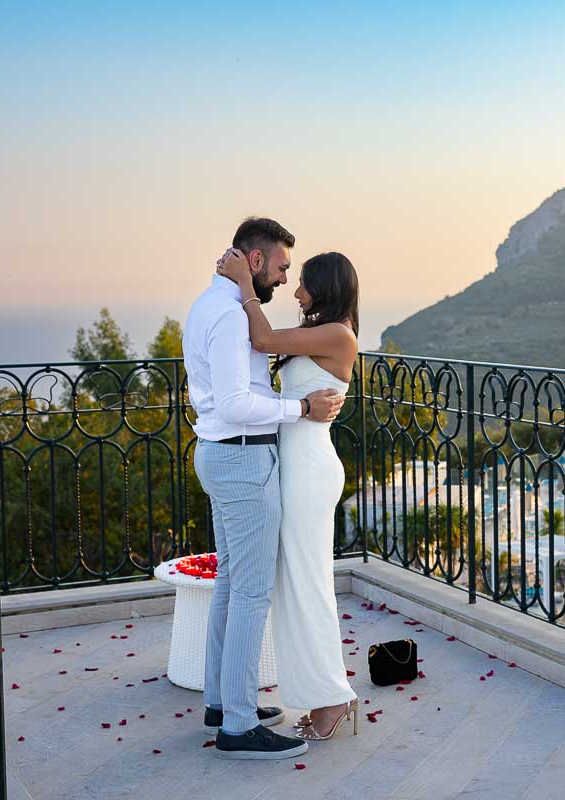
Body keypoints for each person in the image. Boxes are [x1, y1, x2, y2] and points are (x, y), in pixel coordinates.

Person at [182, 217, 344, 760]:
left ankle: (221, 701)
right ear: (255, 261)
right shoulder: (230, 316)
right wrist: (299, 408)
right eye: (280, 266)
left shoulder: (209, 305)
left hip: (227, 456)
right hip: (244, 460)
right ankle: (238, 724)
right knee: (251, 592)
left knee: (233, 585)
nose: (286, 279)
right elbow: (234, 403)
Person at [216, 246, 360, 741]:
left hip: (310, 472)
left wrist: (243, 284)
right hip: (293, 467)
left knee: (309, 583)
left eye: (303, 284)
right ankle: (323, 694)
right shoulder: (320, 335)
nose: (295, 291)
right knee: (294, 584)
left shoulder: (338, 334)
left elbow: (262, 338)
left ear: (324, 289)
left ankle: (334, 696)